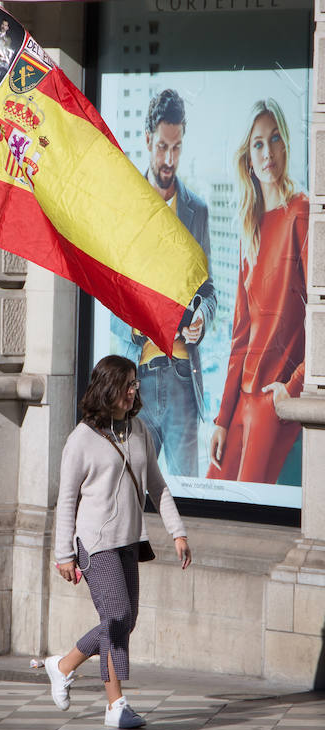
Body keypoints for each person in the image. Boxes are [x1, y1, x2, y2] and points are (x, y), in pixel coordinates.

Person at [47, 355, 191, 728]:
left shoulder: (138, 430)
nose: (133, 391)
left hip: (129, 539)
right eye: (127, 385)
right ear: (107, 388)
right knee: (117, 617)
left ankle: (62, 666)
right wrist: (64, 553)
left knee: (124, 620)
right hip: (95, 544)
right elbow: (66, 499)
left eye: (135, 385)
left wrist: (178, 532)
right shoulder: (81, 439)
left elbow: (158, 487)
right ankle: (115, 706)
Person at [207, 99, 308, 483]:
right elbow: (239, 338)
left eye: (275, 139)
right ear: (248, 158)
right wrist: (221, 420)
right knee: (212, 493)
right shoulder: (249, 230)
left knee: (247, 507)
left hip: (272, 399)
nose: (268, 153)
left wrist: (292, 387)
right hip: (241, 403)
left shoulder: (302, 212)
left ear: (286, 146)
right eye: (258, 144)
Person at [132, 89, 217, 477]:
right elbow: (102, 288)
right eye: (163, 146)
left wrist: (201, 316)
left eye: (177, 148)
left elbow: (209, 291)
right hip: (138, 379)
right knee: (130, 492)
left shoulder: (197, 210)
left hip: (185, 378)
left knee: (186, 493)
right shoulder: (128, 205)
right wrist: (131, 319)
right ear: (148, 139)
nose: (169, 159)